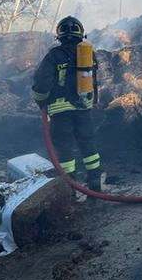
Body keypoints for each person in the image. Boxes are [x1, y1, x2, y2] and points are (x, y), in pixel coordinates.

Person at [31, 16, 104, 191]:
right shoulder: (88, 54)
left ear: (59, 35)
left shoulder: (54, 55)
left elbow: (42, 82)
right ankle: (94, 182)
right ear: (81, 34)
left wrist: (41, 101)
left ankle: (70, 185)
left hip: (60, 111)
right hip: (83, 109)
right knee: (88, 145)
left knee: (65, 149)